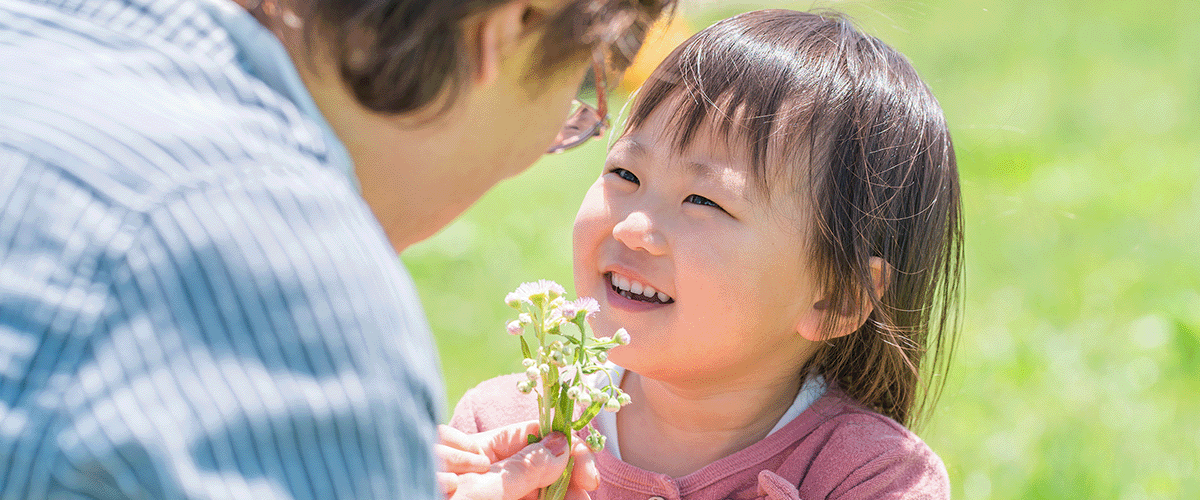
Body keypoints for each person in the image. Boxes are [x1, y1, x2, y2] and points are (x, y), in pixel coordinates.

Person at [0, 0, 671, 498]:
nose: (556, 136)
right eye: (579, 91)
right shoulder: (294, 286)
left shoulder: (39, 30)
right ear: (507, 27)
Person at [449, 9, 963, 499]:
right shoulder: (501, 434)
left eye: (703, 200)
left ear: (836, 300)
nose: (633, 228)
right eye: (625, 173)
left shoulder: (874, 477)